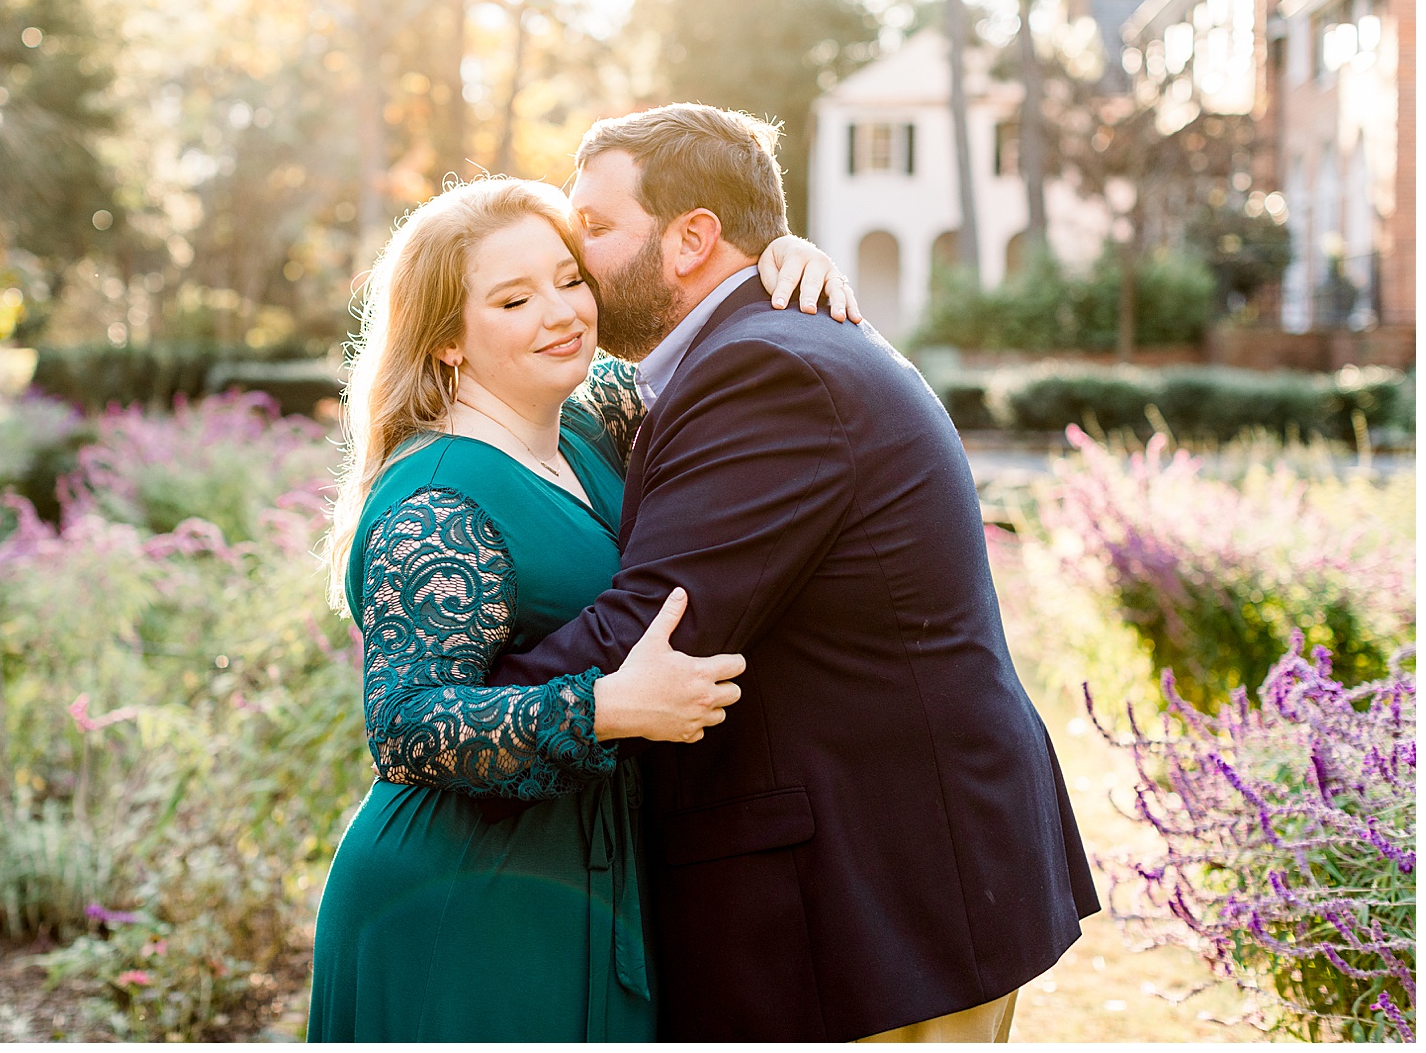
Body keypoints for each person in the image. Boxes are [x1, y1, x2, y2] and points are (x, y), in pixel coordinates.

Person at [486, 103, 1100, 1041]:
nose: (577, 255)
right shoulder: (755, 344)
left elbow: (658, 630)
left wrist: (461, 714)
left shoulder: (766, 369)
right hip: (895, 868)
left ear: (693, 238)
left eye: (597, 229)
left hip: (884, 896)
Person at [307, 175, 858, 1042]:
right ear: (449, 340)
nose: (562, 312)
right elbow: (405, 726)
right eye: (515, 299)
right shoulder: (439, 503)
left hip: (579, 871)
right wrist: (607, 706)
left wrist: (773, 267)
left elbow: (704, 341)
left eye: (569, 278)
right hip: (463, 898)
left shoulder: (587, 416)